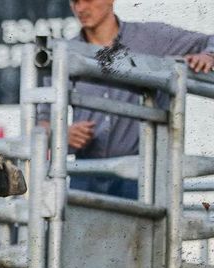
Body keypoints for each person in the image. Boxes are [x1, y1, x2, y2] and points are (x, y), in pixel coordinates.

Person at [40, 0, 214, 199]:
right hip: (86, 174)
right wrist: (61, 133)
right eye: (75, 2)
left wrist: (209, 55)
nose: (80, 9)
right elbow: (42, 121)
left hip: (142, 175)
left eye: (88, 0)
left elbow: (211, 40)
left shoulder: (151, 38)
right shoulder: (64, 52)